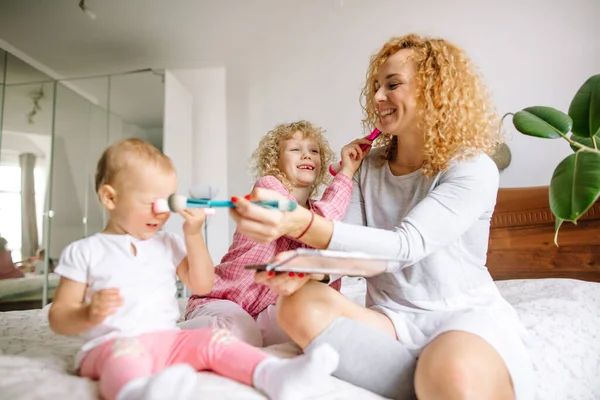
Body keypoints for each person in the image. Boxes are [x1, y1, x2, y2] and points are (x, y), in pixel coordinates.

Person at [228, 34, 534, 400]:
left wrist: (301, 224)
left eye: (392, 85)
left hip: (459, 316)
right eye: (375, 86)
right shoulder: (369, 167)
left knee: (451, 365)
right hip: (389, 321)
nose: (376, 97)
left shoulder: (473, 167)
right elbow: (348, 250)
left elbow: (405, 246)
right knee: (297, 304)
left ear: (433, 90)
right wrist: (305, 267)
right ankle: (429, 380)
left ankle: (439, 373)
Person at [48, 138, 339, 400]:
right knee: (125, 357)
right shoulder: (86, 251)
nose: (162, 212)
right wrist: (87, 314)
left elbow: (202, 285)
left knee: (216, 341)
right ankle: (136, 392)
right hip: (112, 345)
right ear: (110, 198)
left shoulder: (168, 242)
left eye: (166, 202)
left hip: (165, 341)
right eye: (151, 203)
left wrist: (193, 233)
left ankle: (274, 375)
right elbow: (59, 317)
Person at [181, 120, 369, 347]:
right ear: (275, 161)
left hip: (265, 311)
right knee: (237, 331)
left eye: (314, 151)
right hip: (225, 300)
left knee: (316, 331)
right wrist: (346, 174)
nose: (307, 155)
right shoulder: (267, 188)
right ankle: (164, 336)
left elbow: (332, 242)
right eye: (296, 149)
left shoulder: (318, 211)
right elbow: (322, 222)